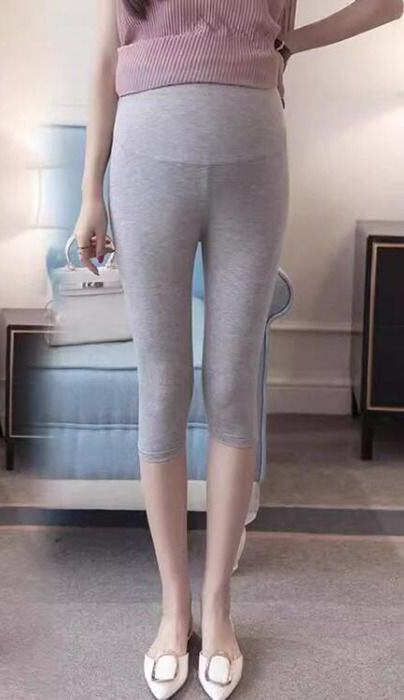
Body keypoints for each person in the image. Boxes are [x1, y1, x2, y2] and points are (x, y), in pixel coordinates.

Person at [72, 1, 403, 698]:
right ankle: (174, 606)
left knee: (231, 385)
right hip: (145, 161)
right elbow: (102, 62)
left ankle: (218, 606)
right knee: (163, 386)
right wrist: (88, 193)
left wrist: (295, 41)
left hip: (253, 158)